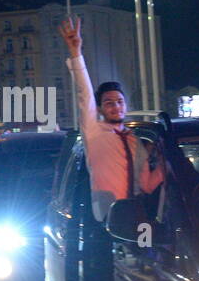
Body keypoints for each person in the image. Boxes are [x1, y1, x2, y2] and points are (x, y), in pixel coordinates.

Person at [58, 16, 163, 222]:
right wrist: (76, 53)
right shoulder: (94, 131)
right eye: (109, 103)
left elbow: (147, 185)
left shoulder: (133, 140)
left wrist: (166, 164)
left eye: (119, 101)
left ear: (125, 105)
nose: (116, 106)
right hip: (106, 217)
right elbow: (85, 94)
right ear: (99, 109)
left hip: (138, 216)